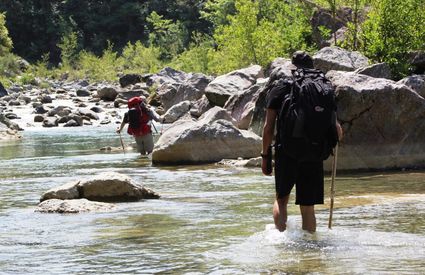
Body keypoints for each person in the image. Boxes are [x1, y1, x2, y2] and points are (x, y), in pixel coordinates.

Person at [261, 51, 343, 233]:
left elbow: (268, 128)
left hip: (287, 151)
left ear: (292, 68)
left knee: (281, 200)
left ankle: (282, 242)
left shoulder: (281, 87)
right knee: (308, 208)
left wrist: (265, 156)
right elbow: (337, 130)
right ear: (312, 68)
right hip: (314, 153)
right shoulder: (323, 88)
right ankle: (310, 253)